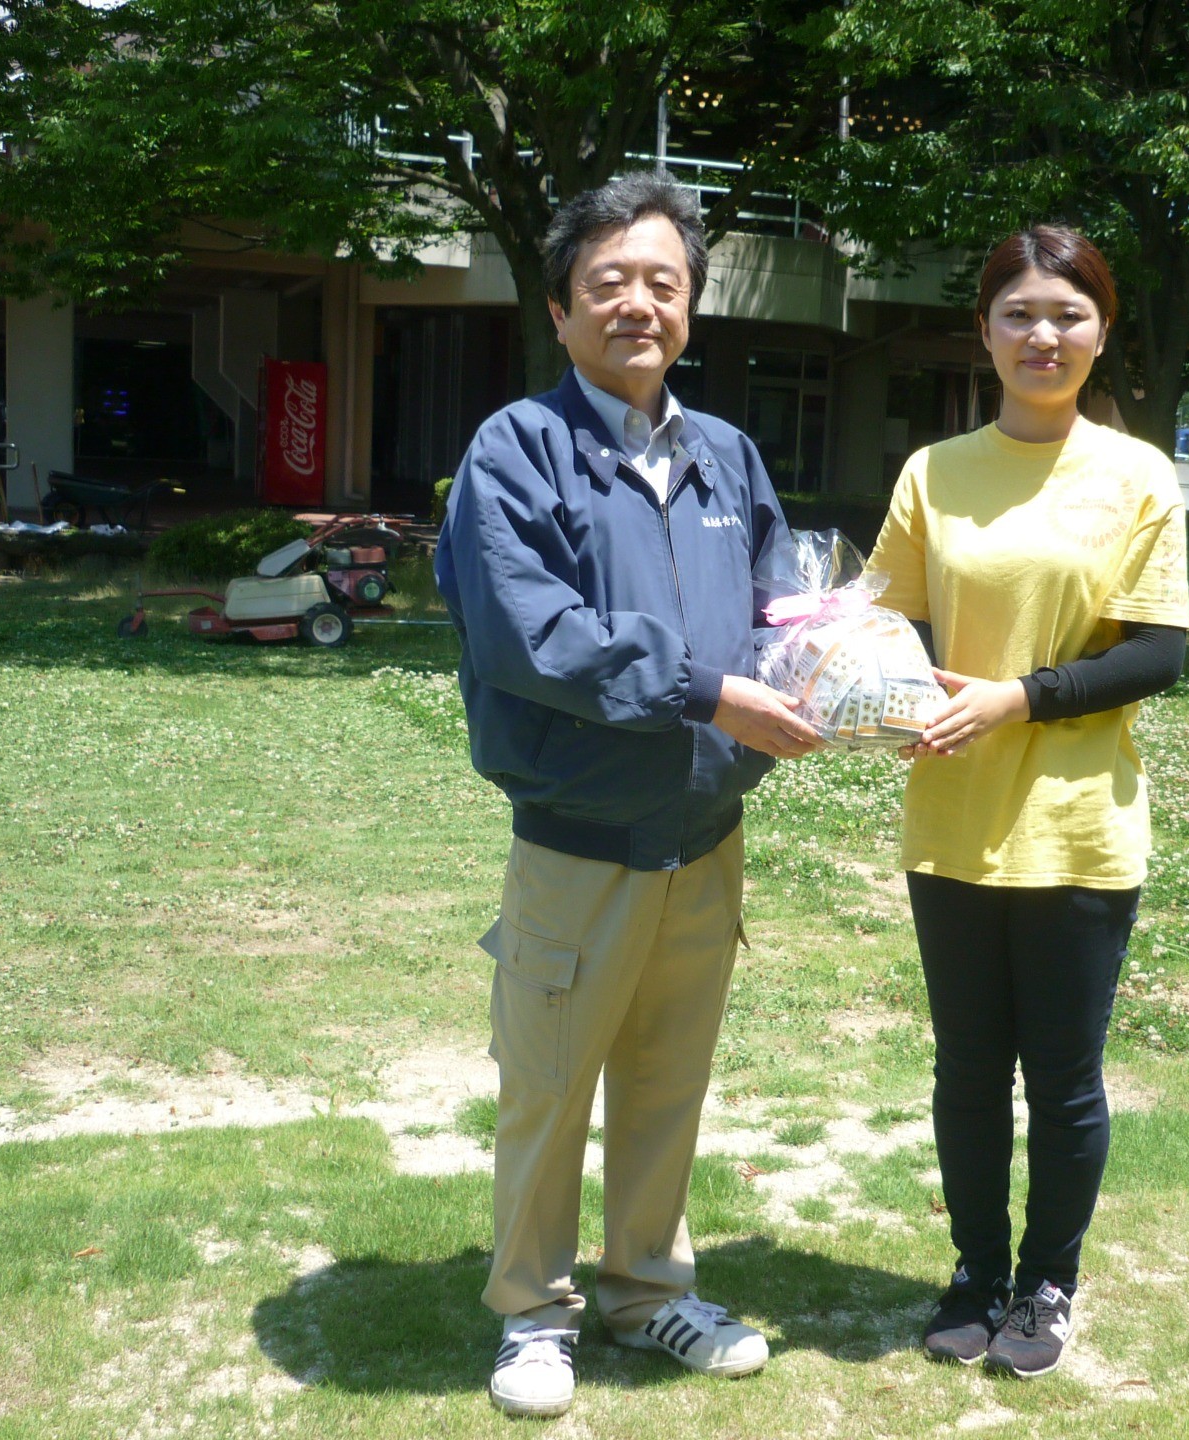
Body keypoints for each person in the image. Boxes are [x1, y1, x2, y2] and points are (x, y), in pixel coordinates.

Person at [434, 170, 822, 1420]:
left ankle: (647, 1291)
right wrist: (710, 695)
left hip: (706, 838)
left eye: (665, 282)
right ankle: (532, 1317)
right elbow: (527, 634)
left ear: (694, 308)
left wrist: (855, 671)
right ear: (559, 310)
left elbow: (780, 611)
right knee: (548, 1087)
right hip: (578, 841)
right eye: (609, 283)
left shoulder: (727, 455)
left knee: (667, 1082)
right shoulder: (516, 450)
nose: (638, 305)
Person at [864, 225, 1189, 1378]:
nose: (1042, 335)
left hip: (1080, 826)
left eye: (1067, 314)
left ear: (1102, 332)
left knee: (1060, 1079)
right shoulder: (932, 472)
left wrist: (1017, 696)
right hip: (950, 819)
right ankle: (973, 1270)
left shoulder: (1138, 474)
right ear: (985, 332)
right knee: (965, 1071)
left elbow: (1158, 653)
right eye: (1018, 314)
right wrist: (865, 684)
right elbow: (887, 622)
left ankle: (1049, 1281)